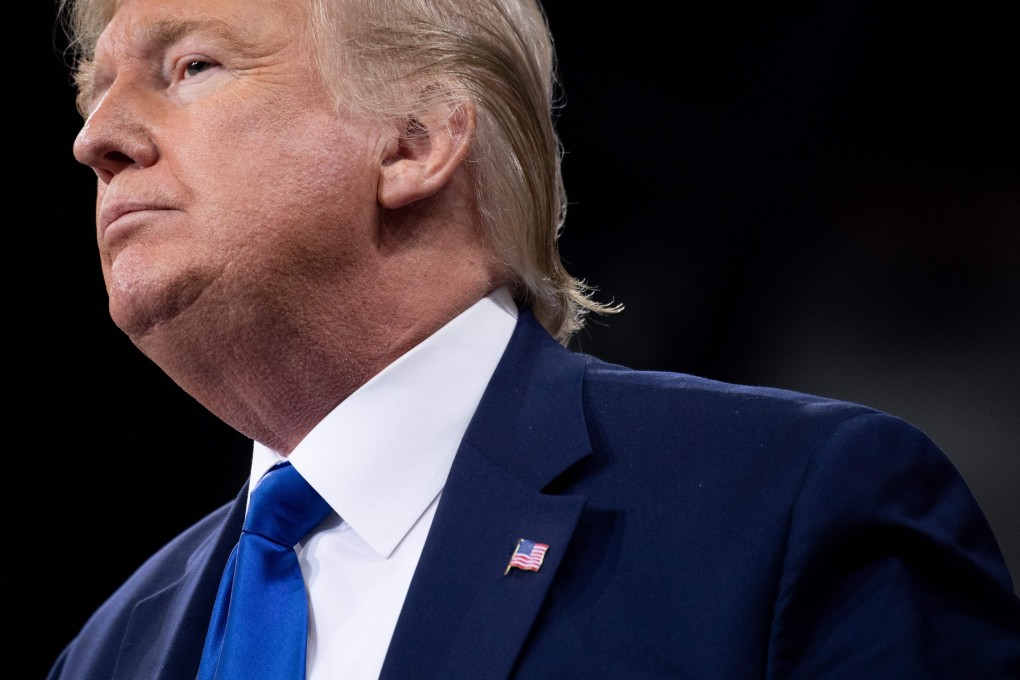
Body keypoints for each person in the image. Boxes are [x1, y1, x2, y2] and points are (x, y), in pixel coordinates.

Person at [48, 0, 1020, 677]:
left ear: (417, 139)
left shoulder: (791, 509)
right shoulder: (106, 650)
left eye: (192, 67)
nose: (100, 136)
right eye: (96, 93)